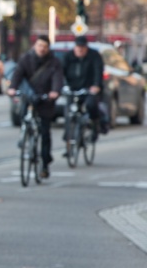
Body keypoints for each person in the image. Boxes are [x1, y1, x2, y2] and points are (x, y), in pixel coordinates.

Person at [7, 35, 64, 178]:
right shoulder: (26, 59)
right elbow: (18, 74)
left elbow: (58, 78)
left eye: (44, 46)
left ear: (48, 48)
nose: (42, 49)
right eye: (39, 45)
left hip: (45, 99)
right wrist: (13, 88)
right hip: (29, 97)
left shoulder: (54, 62)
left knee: (45, 132)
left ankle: (45, 163)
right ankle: (24, 134)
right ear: (35, 46)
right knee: (22, 116)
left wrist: (55, 91)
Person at [62, 35, 106, 144]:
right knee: (68, 112)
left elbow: (98, 71)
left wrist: (96, 85)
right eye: (78, 47)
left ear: (86, 47)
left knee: (91, 105)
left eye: (82, 47)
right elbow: (61, 72)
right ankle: (68, 140)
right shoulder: (68, 56)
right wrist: (63, 85)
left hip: (88, 88)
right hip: (72, 88)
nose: (80, 49)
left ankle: (95, 124)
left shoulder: (94, 56)